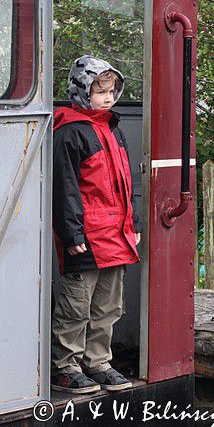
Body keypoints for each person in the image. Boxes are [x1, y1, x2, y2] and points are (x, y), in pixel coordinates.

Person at [51, 55, 142, 394]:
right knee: (76, 305)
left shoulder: (112, 130)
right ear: (80, 90)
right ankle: (65, 365)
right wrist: (71, 233)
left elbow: (125, 186)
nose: (107, 97)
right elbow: (65, 189)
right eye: (99, 91)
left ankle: (98, 361)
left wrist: (133, 224)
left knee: (109, 306)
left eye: (112, 91)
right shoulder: (70, 134)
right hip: (86, 237)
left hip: (116, 236)